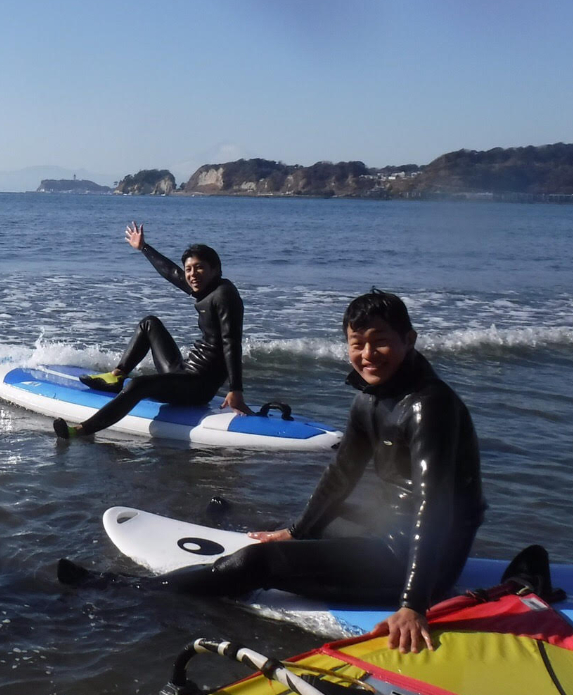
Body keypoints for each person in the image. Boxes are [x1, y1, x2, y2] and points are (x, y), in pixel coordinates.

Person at [58, 289, 486, 655]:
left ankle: (128, 591)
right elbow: (341, 475)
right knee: (302, 523)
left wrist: (414, 603)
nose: (367, 355)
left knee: (260, 561)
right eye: (357, 344)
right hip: (390, 528)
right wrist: (299, 531)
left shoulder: (429, 406)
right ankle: (241, 527)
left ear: (409, 340)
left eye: (381, 342)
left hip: (415, 558)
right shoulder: (371, 399)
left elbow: (436, 505)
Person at [53, 222, 250, 440]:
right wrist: (143, 247)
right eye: (189, 269)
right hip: (184, 373)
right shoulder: (205, 288)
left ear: (216, 270)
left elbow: (231, 342)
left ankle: (80, 431)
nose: (192, 274)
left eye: (200, 267)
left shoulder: (224, 294)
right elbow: (171, 272)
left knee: (139, 384)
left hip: (198, 386)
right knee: (150, 324)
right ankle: (116, 376)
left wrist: (236, 390)